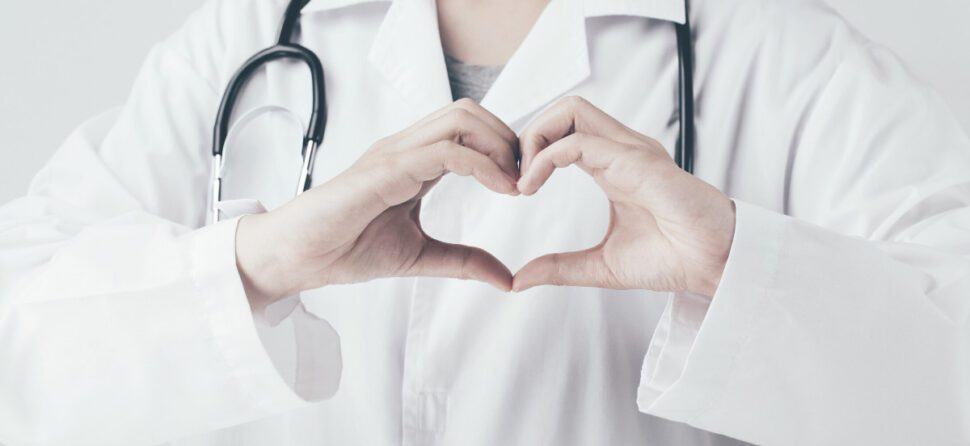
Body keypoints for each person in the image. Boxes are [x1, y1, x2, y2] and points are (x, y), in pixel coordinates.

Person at [0, 0, 968, 444]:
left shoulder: (793, 60)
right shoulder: (245, 38)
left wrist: (740, 265)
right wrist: (256, 261)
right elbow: (19, 354)